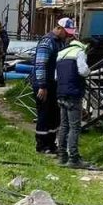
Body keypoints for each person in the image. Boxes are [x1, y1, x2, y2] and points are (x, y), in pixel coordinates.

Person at [33, 17, 74, 154]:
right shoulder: (47, 42)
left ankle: (51, 144)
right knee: (44, 114)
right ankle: (41, 145)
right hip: (44, 84)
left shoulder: (61, 42)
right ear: (59, 28)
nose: (68, 35)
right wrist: (42, 85)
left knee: (54, 115)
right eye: (66, 32)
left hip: (54, 83)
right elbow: (40, 64)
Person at [55, 36, 93, 169]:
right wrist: (89, 71)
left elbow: (56, 76)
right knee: (74, 127)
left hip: (60, 92)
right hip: (74, 93)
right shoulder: (79, 52)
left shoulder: (60, 54)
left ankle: (61, 156)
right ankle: (73, 158)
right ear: (85, 45)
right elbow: (83, 71)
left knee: (64, 125)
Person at [0, 20, 10, 86]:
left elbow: (5, 42)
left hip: (1, 53)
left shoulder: (2, 33)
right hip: (1, 53)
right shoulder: (1, 33)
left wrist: (3, 51)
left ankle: (1, 82)